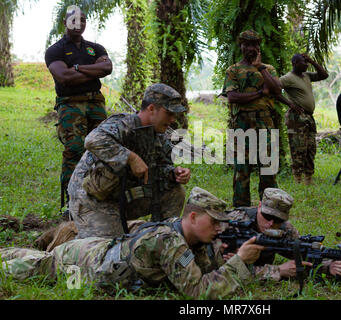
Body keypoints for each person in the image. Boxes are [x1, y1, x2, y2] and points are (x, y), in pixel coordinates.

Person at [0, 188, 264, 299]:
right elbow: (198, 292)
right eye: (214, 221)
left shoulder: (189, 237)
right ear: (192, 217)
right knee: (32, 267)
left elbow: (207, 273)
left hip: (99, 251)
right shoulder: (169, 242)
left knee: (35, 259)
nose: (220, 227)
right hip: (83, 263)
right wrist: (239, 261)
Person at [68, 83, 191, 239]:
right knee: (110, 252)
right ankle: (73, 239)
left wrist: (174, 174)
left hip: (122, 196)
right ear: (152, 109)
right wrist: (131, 158)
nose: (173, 119)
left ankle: (159, 238)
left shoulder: (160, 136)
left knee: (175, 191)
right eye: (169, 113)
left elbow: (160, 168)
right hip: (92, 199)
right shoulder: (123, 124)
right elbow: (92, 140)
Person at [45, 6, 113, 208]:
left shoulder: (95, 48)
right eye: (74, 20)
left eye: (83, 20)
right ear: (65, 23)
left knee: (100, 149)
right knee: (74, 149)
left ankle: (97, 198)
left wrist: (77, 68)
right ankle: (70, 202)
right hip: (71, 105)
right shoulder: (55, 50)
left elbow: (107, 68)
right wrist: (93, 71)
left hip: (96, 104)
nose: (79, 24)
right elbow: (63, 77)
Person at [221, 188, 341, 281]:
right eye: (267, 216)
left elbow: (302, 254)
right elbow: (227, 273)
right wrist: (278, 270)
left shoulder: (285, 230)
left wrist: (329, 266)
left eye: (277, 220)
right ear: (259, 206)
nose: (271, 223)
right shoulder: (232, 223)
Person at [223, 29, 281, 207]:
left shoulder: (268, 69)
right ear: (241, 46)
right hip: (242, 123)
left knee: (268, 169)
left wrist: (261, 68)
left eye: (255, 45)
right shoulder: (233, 70)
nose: (251, 48)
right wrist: (260, 93)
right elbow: (232, 97)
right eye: (247, 44)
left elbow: (277, 90)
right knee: (242, 170)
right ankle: (241, 211)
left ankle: (270, 209)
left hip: (265, 123)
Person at [279, 53, 329, 185]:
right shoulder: (287, 78)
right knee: (298, 149)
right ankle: (297, 179)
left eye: (307, 62)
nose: (306, 64)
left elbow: (324, 75)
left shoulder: (306, 75)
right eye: (303, 61)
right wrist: (289, 103)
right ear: (295, 63)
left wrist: (312, 61)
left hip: (309, 117)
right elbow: (274, 89)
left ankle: (308, 178)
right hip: (297, 118)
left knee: (310, 149)